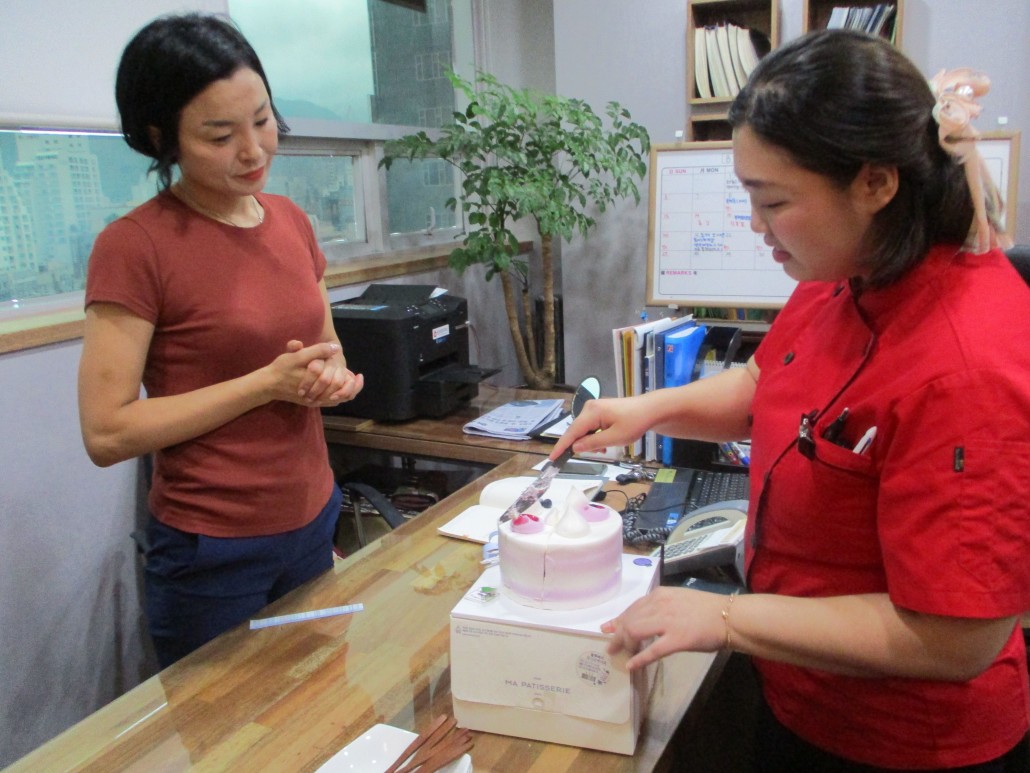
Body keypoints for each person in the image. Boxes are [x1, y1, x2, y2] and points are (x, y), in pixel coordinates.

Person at [553, 30, 1030, 772]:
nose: (755, 225)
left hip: (905, 743)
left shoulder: (966, 366)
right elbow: (765, 383)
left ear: (875, 184)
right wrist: (648, 408)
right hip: (800, 692)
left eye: (773, 201)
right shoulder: (844, 268)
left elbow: (956, 638)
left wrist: (726, 617)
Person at [78, 12, 364, 668]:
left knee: (324, 710)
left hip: (312, 519)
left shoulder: (291, 220)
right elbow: (106, 431)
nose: (254, 150)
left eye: (262, 121)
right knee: (231, 729)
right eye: (220, 135)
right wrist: (265, 385)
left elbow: (329, 350)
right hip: (212, 552)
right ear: (162, 137)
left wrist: (333, 379)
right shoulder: (134, 246)